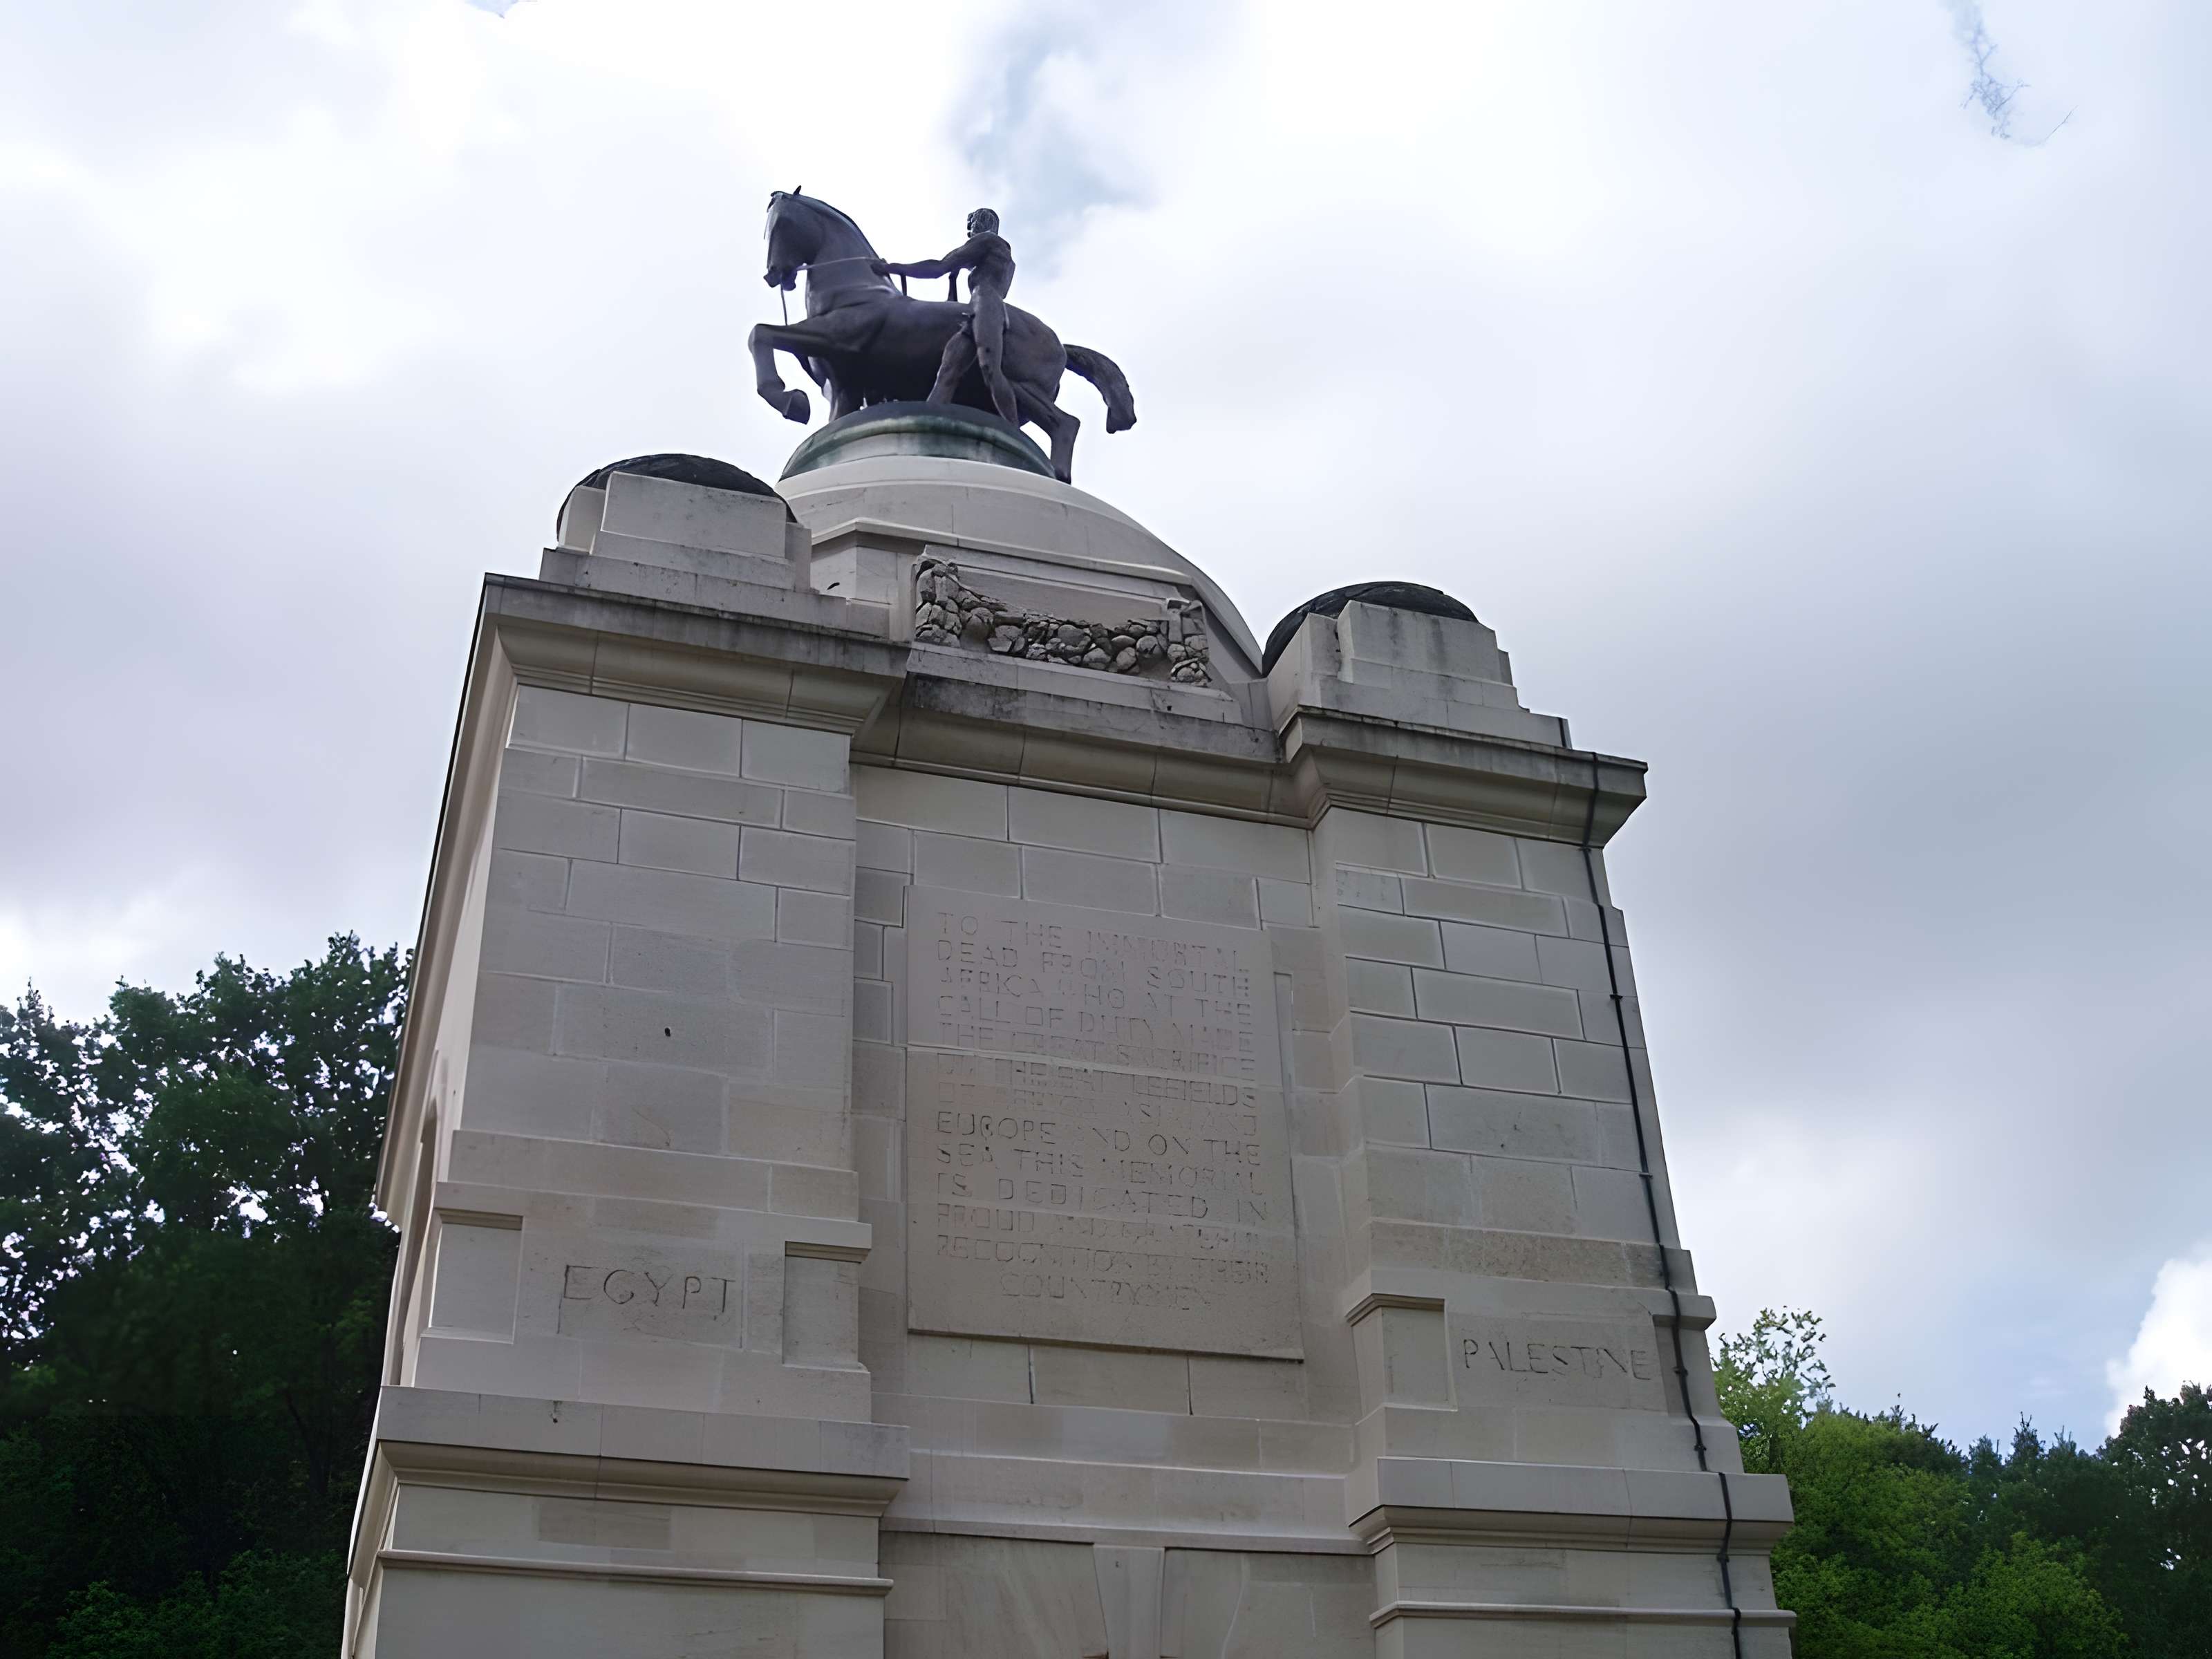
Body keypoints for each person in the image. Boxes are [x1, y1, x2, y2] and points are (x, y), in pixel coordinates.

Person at [872, 209, 1019, 424]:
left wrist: (892, 268)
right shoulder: (999, 252)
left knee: (990, 369)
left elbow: (939, 267)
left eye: (972, 223)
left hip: (987, 304)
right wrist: (952, 281)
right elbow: (953, 304)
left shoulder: (988, 241)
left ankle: (1013, 431)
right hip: (978, 307)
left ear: (983, 222)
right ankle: (926, 428)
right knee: (948, 370)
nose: (969, 231)